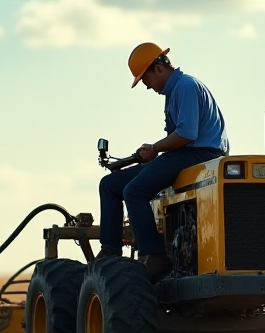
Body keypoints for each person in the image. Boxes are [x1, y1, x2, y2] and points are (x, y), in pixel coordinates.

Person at [98, 42, 229, 283]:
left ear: (157, 69)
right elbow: (178, 136)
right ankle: (110, 254)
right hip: (184, 154)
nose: (147, 87)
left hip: (201, 154)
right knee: (110, 184)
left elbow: (188, 134)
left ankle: (155, 255)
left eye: (145, 80)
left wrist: (156, 148)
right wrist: (154, 152)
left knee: (134, 191)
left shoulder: (185, 87)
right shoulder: (174, 93)